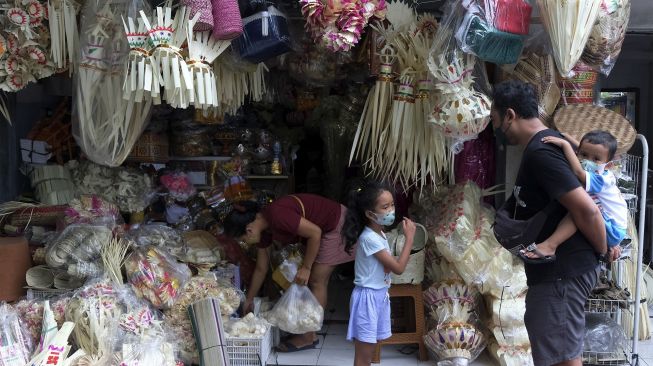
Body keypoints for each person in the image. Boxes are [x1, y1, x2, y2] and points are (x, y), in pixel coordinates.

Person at [491, 80, 619, 366]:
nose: (497, 129)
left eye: (496, 121)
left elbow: (587, 210)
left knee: (561, 358)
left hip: (562, 271)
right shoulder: (548, 143)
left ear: (510, 115)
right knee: (560, 352)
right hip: (560, 272)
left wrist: (601, 251)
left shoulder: (542, 153)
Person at [223, 193, 354, 352]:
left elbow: (315, 233)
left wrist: (306, 268)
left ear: (249, 230)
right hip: (323, 230)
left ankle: (308, 336)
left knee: (316, 281)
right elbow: (261, 268)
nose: (244, 243)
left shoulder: (277, 215)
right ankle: (306, 331)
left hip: (337, 225)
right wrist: (249, 299)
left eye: (242, 240)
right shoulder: (264, 230)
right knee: (305, 280)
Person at [520, 130, 628, 263]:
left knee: (579, 210)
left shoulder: (602, 178)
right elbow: (585, 154)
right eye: (584, 154)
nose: (588, 161)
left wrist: (565, 145)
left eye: (596, 159)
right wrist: (570, 138)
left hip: (613, 229)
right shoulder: (596, 167)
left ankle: (550, 245)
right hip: (613, 225)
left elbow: (579, 172)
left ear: (608, 165)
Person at [342, 181, 416, 366]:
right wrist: (410, 239)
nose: (391, 210)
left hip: (379, 296)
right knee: (363, 357)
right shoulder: (369, 238)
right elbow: (398, 268)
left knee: (370, 353)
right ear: (369, 213)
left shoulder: (379, 234)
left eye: (392, 204)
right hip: (367, 300)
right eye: (385, 207)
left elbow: (386, 267)